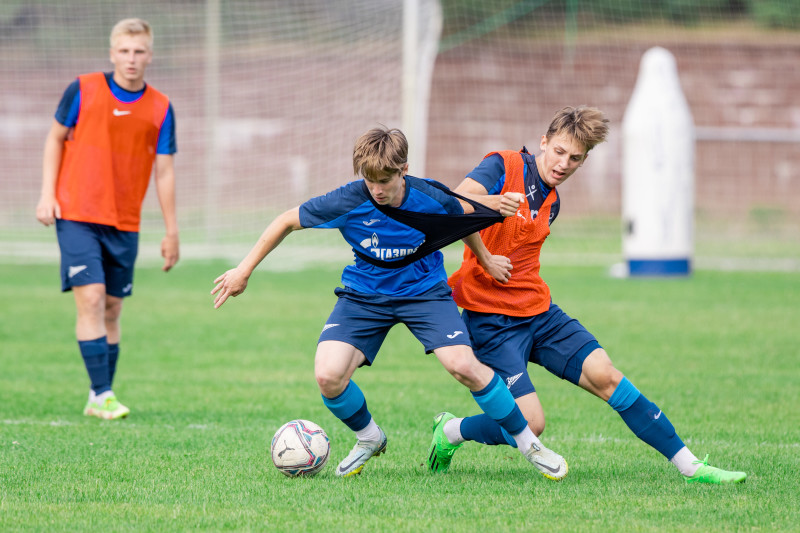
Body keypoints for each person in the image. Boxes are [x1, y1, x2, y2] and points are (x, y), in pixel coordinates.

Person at [212, 126, 569, 480]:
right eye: (370, 180)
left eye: (385, 179)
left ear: (404, 170)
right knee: (328, 376)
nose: (377, 189)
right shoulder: (349, 199)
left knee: (464, 365)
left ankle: (529, 444)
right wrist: (243, 271)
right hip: (364, 296)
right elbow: (286, 220)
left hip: (424, 293)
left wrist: (486, 257)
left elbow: (462, 217)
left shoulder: (429, 196)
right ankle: (369, 437)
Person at [426, 106, 747, 484]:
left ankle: (691, 467)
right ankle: (451, 431)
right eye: (559, 151)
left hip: (539, 314)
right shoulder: (503, 164)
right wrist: (485, 254)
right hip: (490, 320)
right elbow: (456, 202)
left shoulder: (552, 201)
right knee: (531, 423)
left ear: (584, 160)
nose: (563, 163)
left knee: (606, 375)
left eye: (575, 158)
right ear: (543, 142)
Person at [36, 18, 179, 420]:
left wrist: (171, 231)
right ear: (112, 52)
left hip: (126, 221)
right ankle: (102, 394)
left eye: (139, 52)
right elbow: (54, 138)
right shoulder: (82, 89)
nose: (131, 59)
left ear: (149, 55)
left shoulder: (161, 107)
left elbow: (164, 171)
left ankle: (98, 393)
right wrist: (47, 194)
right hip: (76, 212)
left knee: (113, 307)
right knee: (93, 297)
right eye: (124, 51)